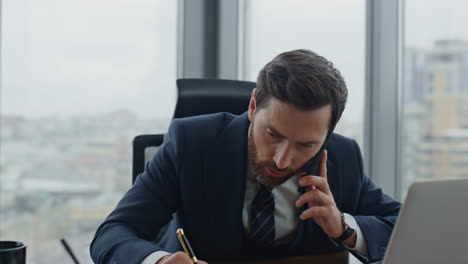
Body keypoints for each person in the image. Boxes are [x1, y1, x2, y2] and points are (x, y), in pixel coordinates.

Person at [90, 49, 401, 264]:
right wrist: (160, 260)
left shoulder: (342, 157)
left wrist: (344, 228)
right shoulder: (192, 143)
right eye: (273, 135)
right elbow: (113, 234)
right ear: (253, 107)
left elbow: (402, 226)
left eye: (306, 144)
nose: (282, 160)